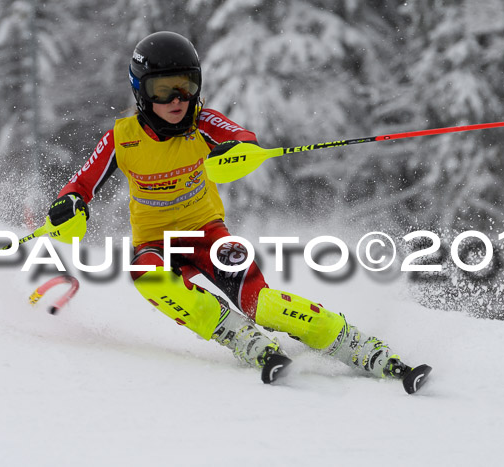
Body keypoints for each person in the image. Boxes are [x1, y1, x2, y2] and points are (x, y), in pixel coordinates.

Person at [46, 31, 415, 384]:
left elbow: (240, 137)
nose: (177, 99)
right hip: (157, 244)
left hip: (209, 235)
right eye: (163, 89)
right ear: (140, 90)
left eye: (186, 86)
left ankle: (355, 344)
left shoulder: (203, 122)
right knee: (147, 273)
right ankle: (235, 334)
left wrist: (236, 150)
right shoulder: (121, 139)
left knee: (263, 304)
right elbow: (81, 184)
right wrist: (69, 203)